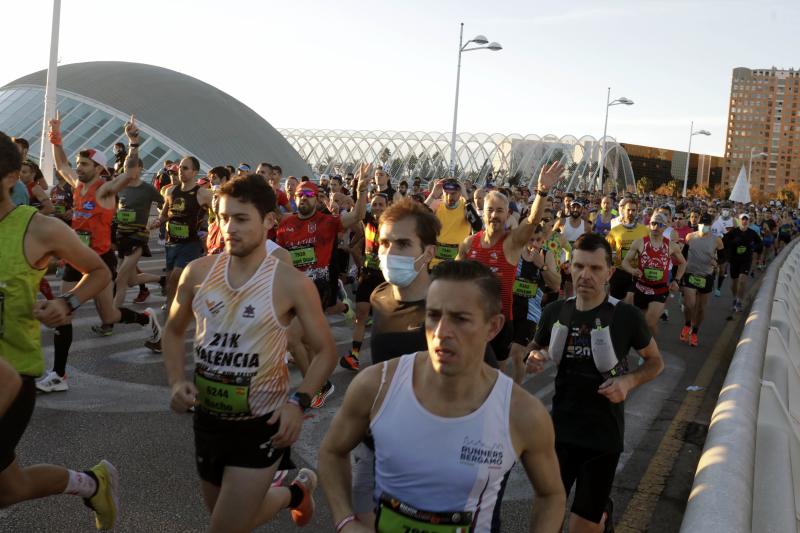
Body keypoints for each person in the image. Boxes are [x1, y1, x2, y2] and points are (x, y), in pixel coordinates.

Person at [319, 260, 567, 533]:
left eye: (460, 319)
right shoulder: (377, 384)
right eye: (434, 315)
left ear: (493, 327)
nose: (441, 333)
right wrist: (345, 521)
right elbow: (332, 452)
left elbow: (552, 495)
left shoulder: (521, 412)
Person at [162, 174, 337, 533]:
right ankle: (295, 493)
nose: (229, 228)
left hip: (262, 425)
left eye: (241, 219)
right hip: (207, 420)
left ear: (269, 221)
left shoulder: (291, 283)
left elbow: (325, 351)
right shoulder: (196, 274)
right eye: (223, 218)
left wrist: (299, 403)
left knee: (224, 528)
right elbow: (173, 331)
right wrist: (177, 381)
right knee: (227, 520)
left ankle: (292, 492)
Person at [0, 130, 119, 529]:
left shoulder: (38, 228)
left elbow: (99, 270)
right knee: (10, 489)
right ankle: (91, 483)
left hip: (13, 377)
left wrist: (66, 303)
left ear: (11, 179)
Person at [527, 233, 664, 533]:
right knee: (543, 522)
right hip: (559, 432)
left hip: (602, 437)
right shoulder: (555, 312)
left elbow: (655, 362)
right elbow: (533, 352)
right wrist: (534, 358)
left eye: (595, 268)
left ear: (610, 273)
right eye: (578, 267)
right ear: (569, 268)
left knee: (581, 527)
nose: (585, 275)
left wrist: (628, 382)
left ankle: (601, 516)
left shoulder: (625, 316)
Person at [37, 114, 161, 392]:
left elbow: (129, 174)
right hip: (75, 257)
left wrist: (133, 142)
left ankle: (146, 319)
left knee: (109, 317)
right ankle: (59, 375)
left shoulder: (105, 191)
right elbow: (60, 164)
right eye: (79, 163)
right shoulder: (76, 185)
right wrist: (55, 136)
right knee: (63, 310)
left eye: (84, 164)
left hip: (100, 262)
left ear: (99, 168)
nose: (78, 168)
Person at [276, 166, 369, 408]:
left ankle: (314, 388)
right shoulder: (286, 225)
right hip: (293, 289)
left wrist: (362, 190)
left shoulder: (327, 222)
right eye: (299, 196)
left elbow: (358, 216)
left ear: (317, 199)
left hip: (318, 287)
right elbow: (280, 258)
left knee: (291, 338)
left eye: (308, 196)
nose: (303, 200)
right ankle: (321, 385)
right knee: (303, 344)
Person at [457, 161, 564, 369]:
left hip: (501, 321)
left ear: (507, 214)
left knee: (494, 374)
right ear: (483, 212)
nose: (494, 215)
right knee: (466, 369)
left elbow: (533, 221)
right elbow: (452, 276)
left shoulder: (512, 243)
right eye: (490, 210)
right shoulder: (469, 243)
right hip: (471, 318)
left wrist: (542, 192)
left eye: (500, 210)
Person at [148, 153, 213, 345]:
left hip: (191, 245)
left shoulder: (203, 194)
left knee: (177, 277)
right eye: (180, 168)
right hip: (172, 244)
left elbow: (217, 214)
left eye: (185, 168)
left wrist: (211, 231)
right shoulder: (170, 192)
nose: (181, 171)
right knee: (171, 288)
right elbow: (167, 214)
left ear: (194, 172)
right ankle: (168, 331)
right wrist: (158, 221)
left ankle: (175, 331)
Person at [111, 156, 166, 310]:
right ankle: (162, 280)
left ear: (140, 168)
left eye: (132, 167)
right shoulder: (121, 187)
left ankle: (109, 320)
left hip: (138, 237)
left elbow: (164, 204)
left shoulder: (147, 189)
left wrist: (159, 220)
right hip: (122, 236)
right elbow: (115, 207)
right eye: (126, 167)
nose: (129, 170)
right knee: (131, 280)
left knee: (120, 278)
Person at [340, 193, 388, 371]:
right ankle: (354, 356)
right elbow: (358, 213)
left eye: (381, 205)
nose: (377, 208)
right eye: (374, 204)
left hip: (385, 277)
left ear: (387, 206)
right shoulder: (367, 220)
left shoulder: (392, 224)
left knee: (382, 320)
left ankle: (384, 359)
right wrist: (361, 189)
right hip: (368, 275)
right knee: (361, 315)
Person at [508, 226, 561, 384]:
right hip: (509, 308)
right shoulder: (515, 252)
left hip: (531, 313)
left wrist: (542, 266)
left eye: (538, 240)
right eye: (531, 240)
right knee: (500, 354)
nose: (535, 244)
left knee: (518, 353)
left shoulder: (546, 254)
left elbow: (556, 285)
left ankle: (514, 392)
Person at [621, 213, 686, 335]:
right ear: (649, 225)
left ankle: (648, 350)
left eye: (659, 224)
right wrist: (632, 270)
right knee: (640, 323)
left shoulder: (671, 246)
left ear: (665, 226)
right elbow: (625, 262)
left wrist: (676, 280)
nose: (656, 227)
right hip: (641, 287)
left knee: (649, 322)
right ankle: (648, 346)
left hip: (659, 290)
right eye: (653, 223)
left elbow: (683, 263)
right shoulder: (639, 242)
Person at [680, 214, 724, 346]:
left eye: (707, 225)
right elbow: (682, 256)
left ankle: (694, 333)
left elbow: (723, 258)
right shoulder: (690, 237)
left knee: (700, 308)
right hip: (691, 274)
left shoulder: (717, 240)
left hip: (706, 276)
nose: (704, 227)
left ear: (711, 226)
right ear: (698, 224)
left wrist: (716, 262)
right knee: (689, 304)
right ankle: (687, 325)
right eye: (702, 224)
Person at [425, 177, 482, 265]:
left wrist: (466, 197)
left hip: (458, 262)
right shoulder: (437, 204)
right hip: (435, 263)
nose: (449, 197)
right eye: (446, 193)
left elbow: (477, 225)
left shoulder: (466, 206)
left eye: (453, 193)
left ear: (460, 192)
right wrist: (432, 195)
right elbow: (416, 218)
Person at [606, 198, 649, 302]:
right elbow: (606, 249)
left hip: (637, 272)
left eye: (634, 210)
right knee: (615, 303)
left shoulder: (644, 230)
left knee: (631, 300)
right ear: (623, 210)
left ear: (637, 211)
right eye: (628, 210)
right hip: (619, 271)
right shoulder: (615, 230)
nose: (631, 213)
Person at [722, 213, 762, 313]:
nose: (744, 221)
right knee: (734, 282)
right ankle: (735, 298)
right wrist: (733, 242)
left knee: (742, 280)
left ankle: (739, 301)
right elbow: (723, 242)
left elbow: (759, 243)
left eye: (746, 220)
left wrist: (754, 248)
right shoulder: (733, 232)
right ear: (739, 221)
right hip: (734, 260)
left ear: (749, 221)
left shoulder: (752, 233)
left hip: (746, 260)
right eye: (742, 219)